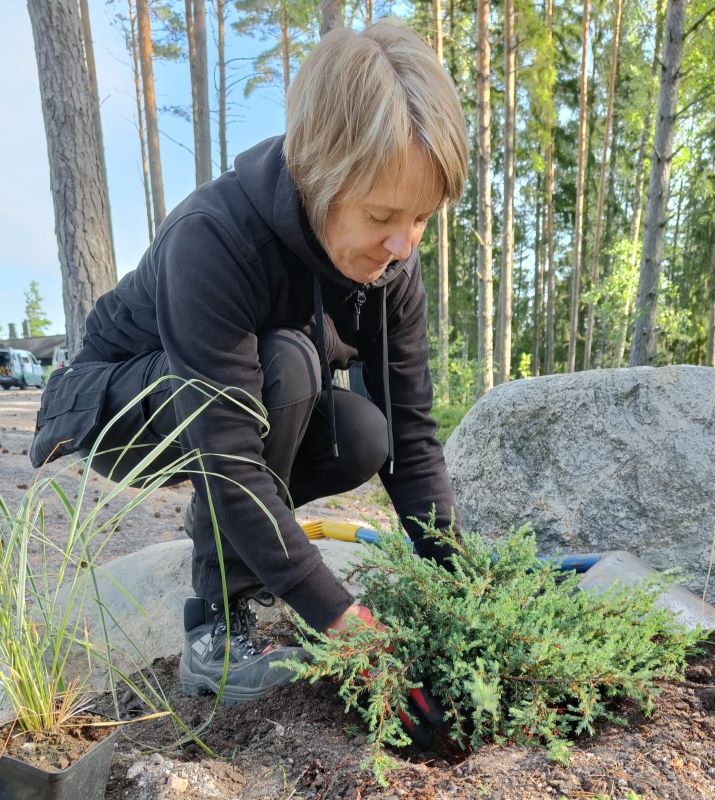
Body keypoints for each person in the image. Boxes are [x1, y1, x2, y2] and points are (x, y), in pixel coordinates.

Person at [31, 20, 468, 709]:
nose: (403, 243)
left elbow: (411, 439)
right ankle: (216, 630)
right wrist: (340, 617)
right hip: (115, 403)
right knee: (288, 364)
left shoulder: (391, 266)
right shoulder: (214, 238)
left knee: (364, 434)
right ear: (318, 174)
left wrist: (462, 589)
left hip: (241, 401)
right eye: (384, 214)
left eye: (421, 218)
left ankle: (248, 547)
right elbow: (228, 457)